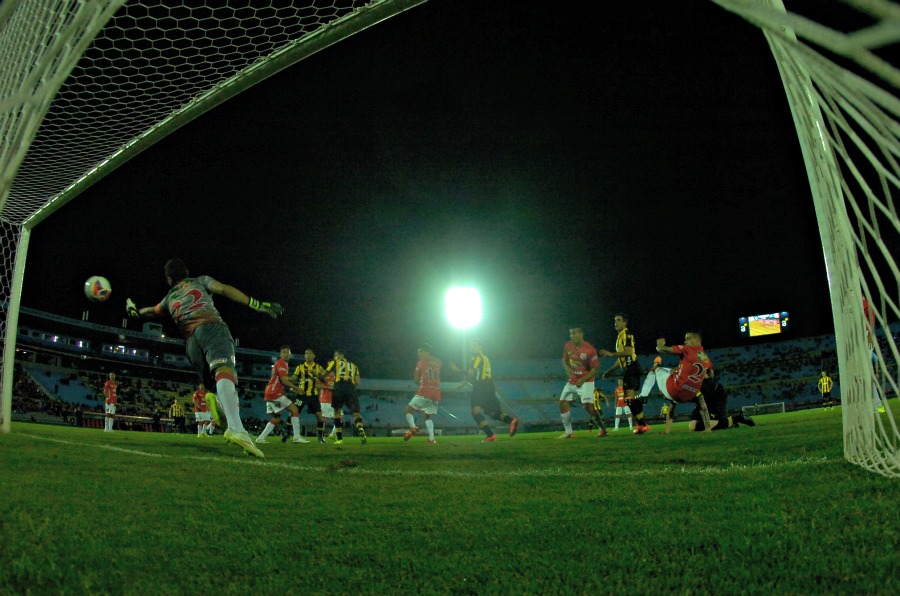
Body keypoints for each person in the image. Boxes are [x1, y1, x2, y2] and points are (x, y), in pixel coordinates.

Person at [126, 257, 282, 458]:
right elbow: (223, 289)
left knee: (215, 385)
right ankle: (236, 429)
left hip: (190, 342)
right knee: (225, 372)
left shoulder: (168, 298)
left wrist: (133, 311)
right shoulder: (200, 281)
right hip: (211, 327)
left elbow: (149, 312)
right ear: (186, 272)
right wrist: (257, 304)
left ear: (169, 279)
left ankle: (216, 402)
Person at [637, 331, 712, 434]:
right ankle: (708, 429)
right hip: (690, 394)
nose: (685, 341)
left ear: (697, 340)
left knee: (656, 369)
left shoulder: (687, 349)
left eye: (688, 338)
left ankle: (643, 394)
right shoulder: (704, 357)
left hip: (674, 390)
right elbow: (711, 375)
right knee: (701, 401)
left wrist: (659, 344)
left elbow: (662, 350)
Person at [459, 339, 518, 442]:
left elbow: (471, 372)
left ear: (480, 347)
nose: (471, 348)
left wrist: (459, 371)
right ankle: (512, 421)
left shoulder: (477, 357)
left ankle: (490, 435)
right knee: (493, 413)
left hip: (480, 386)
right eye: (470, 346)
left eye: (474, 345)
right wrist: (465, 381)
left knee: (475, 412)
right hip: (489, 386)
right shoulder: (485, 358)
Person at [600, 313, 648, 433]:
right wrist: (609, 371)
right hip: (631, 369)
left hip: (632, 368)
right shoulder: (620, 337)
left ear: (625, 323)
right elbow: (620, 359)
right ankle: (641, 425)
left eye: (618, 320)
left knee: (629, 399)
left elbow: (628, 352)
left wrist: (611, 353)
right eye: (615, 320)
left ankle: (642, 425)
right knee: (634, 399)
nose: (616, 322)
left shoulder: (626, 335)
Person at [558, 326, 607, 439]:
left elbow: (595, 369)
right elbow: (564, 361)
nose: (572, 336)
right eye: (570, 333)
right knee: (562, 403)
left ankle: (603, 430)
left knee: (587, 406)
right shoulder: (568, 345)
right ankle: (569, 432)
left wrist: (583, 380)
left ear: (581, 334)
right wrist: (567, 369)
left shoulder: (589, 349)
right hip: (573, 380)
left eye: (574, 333)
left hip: (587, 381)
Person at [256, 346, 309, 444]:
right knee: (294, 410)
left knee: (276, 418)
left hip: (271, 392)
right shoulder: (281, 363)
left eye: (287, 352)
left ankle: (260, 438)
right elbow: (284, 381)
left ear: (290, 354)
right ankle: (297, 437)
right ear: (280, 354)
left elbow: (280, 381)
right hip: (275, 393)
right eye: (283, 352)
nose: (285, 354)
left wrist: (293, 389)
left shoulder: (283, 364)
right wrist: (297, 388)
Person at [323, 349, 367, 444]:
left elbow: (324, 374)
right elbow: (358, 382)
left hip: (338, 387)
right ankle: (360, 428)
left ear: (340, 355)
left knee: (337, 412)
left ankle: (339, 439)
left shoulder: (335, 362)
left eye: (336, 355)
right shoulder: (354, 366)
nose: (335, 357)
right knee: (355, 412)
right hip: (351, 388)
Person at [404, 343, 442, 444]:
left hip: (425, 390)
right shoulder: (438, 361)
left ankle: (413, 428)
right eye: (418, 352)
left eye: (421, 351)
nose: (419, 354)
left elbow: (416, 380)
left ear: (427, 352)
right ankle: (432, 439)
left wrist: (419, 381)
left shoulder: (421, 362)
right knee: (427, 416)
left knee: (408, 411)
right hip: (436, 391)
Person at [286, 348, 327, 443]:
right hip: (301, 395)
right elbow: (293, 378)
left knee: (320, 417)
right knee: (292, 413)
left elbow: (323, 380)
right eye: (306, 353)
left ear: (314, 356)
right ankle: (288, 433)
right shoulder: (300, 367)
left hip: (314, 396)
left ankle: (320, 438)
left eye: (310, 353)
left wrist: (315, 374)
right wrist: (285, 377)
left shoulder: (318, 367)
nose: (308, 355)